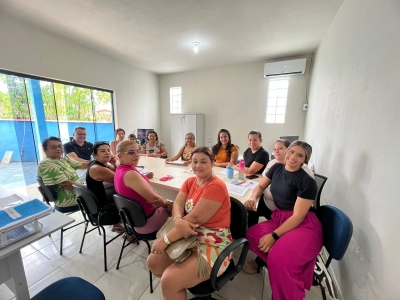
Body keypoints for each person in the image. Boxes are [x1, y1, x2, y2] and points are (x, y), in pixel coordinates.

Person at [147, 147, 233, 300]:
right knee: (153, 262)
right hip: (188, 233)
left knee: (169, 280)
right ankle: (179, 287)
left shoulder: (216, 186)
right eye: (194, 162)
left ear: (212, 163)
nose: (197, 165)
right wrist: (178, 220)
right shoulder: (190, 181)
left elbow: (194, 220)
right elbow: (178, 205)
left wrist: (166, 239)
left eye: (203, 162)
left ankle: (176, 284)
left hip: (213, 243)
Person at [243, 141, 322, 300]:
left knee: (280, 262)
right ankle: (288, 265)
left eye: (300, 155)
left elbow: (299, 216)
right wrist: (253, 198)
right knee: (250, 235)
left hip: (303, 224)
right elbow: (260, 186)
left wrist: (274, 236)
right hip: (281, 217)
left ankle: (284, 273)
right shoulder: (276, 168)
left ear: (304, 160)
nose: (293, 157)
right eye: (291, 152)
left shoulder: (307, 181)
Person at [114, 140, 172, 234]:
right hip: (146, 223)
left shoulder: (120, 169)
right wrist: (168, 205)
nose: (137, 155)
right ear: (120, 156)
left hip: (133, 221)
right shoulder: (130, 174)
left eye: (138, 151)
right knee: (180, 208)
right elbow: (154, 199)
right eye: (131, 152)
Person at [38, 136, 89, 212]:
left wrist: (101, 162)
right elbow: (66, 184)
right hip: (69, 199)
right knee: (107, 192)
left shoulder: (62, 159)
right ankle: (98, 218)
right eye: (53, 147)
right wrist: (89, 187)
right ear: (45, 150)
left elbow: (82, 165)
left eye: (59, 146)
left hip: (77, 192)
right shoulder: (48, 163)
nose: (58, 149)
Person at [86, 141, 124, 232]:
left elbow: (115, 173)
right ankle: (132, 230)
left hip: (98, 202)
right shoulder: (98, 168)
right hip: (104, 210)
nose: (107, 153)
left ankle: (117, 225)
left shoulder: (101, 164)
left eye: (108, 150)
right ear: (94, 155)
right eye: (103, 151)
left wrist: (114, 163)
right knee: (132, 195)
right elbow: (122, 181)